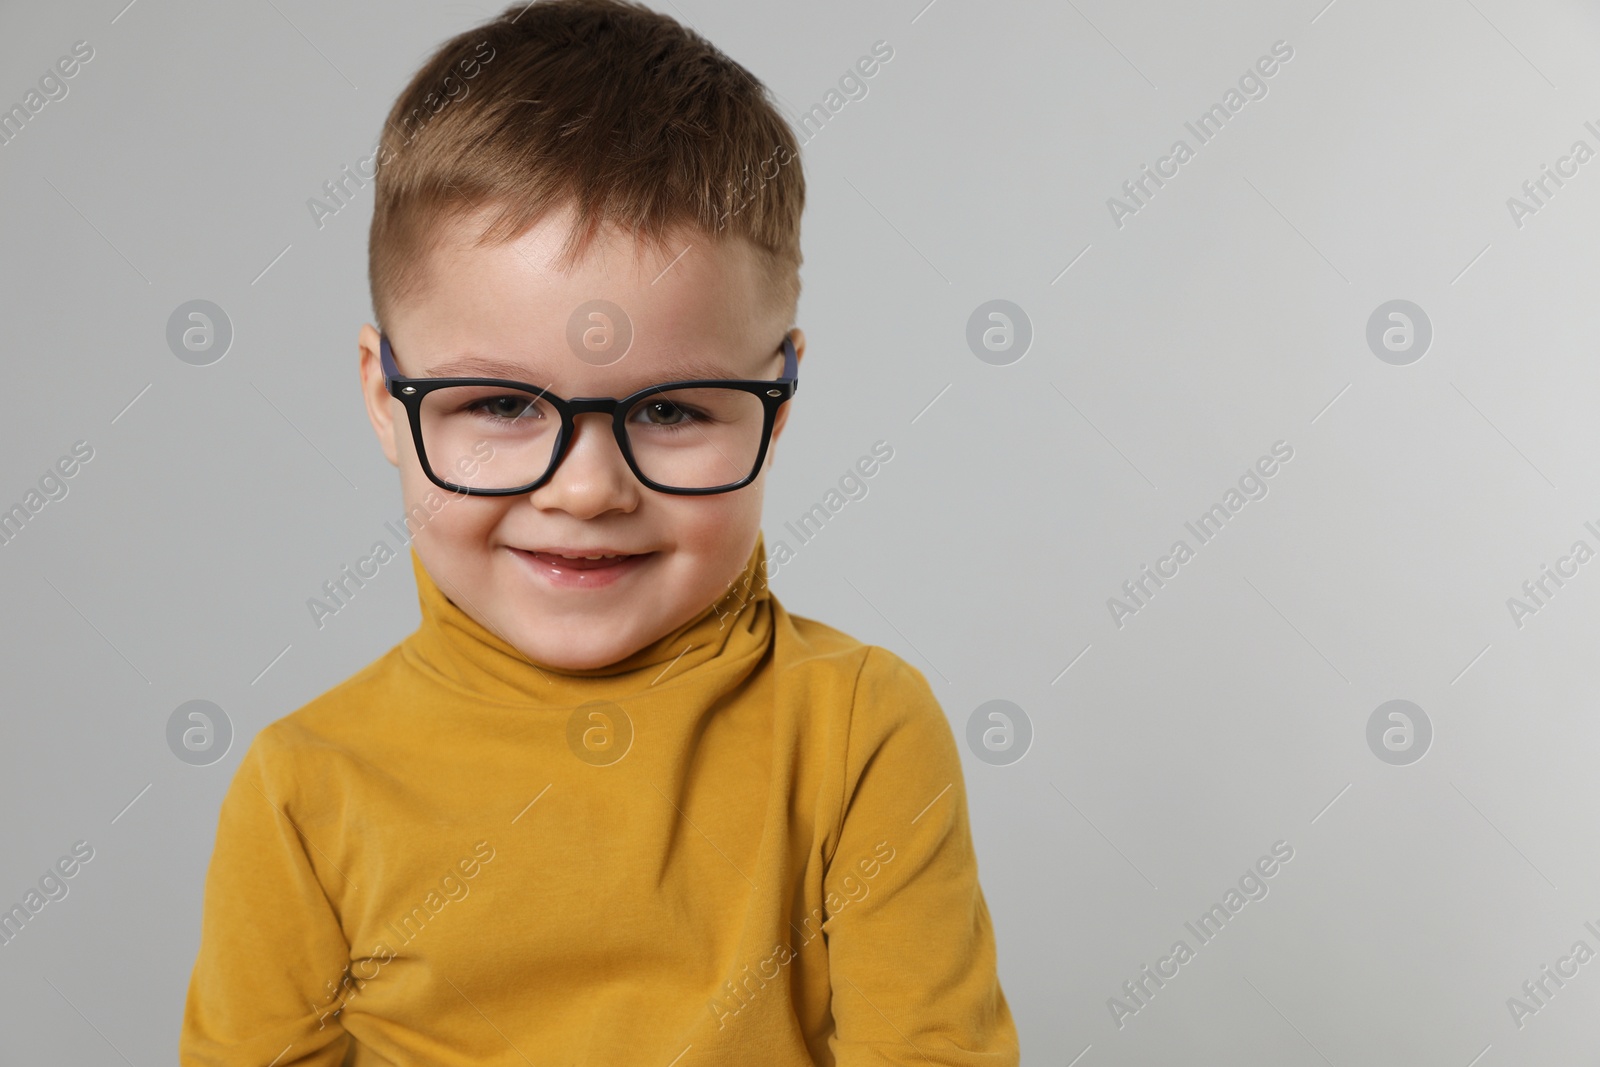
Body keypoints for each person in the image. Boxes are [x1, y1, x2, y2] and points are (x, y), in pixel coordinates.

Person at [180, 2, 1019, 1062]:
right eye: (500, 404)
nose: (585, 489)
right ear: (387, 398)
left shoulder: (858, 732)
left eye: (669, 411)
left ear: (780, 391)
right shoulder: (304, 788)